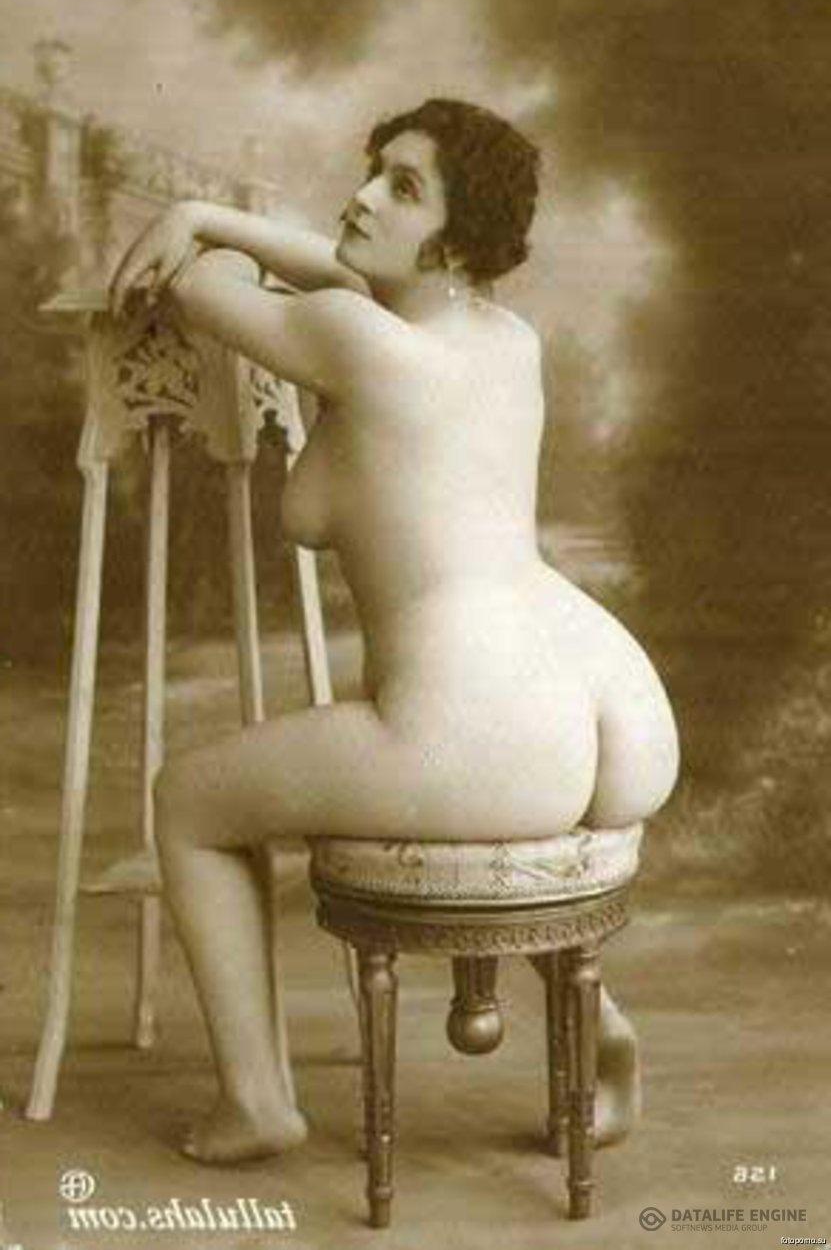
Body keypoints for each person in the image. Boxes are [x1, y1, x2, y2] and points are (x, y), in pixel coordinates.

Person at [109, 98, 679, 1164]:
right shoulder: (505, 339)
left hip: (485, 723)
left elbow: (194, 286)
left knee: (186, 800)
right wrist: (216, 214)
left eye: (403, 187)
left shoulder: (355, 340)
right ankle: (599, 1029)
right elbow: (350, 271)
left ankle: (257, 1100)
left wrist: (197, 223)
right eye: (374, 168)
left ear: (455, 242)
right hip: (605, 697)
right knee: (495, 811)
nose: (363, 195)